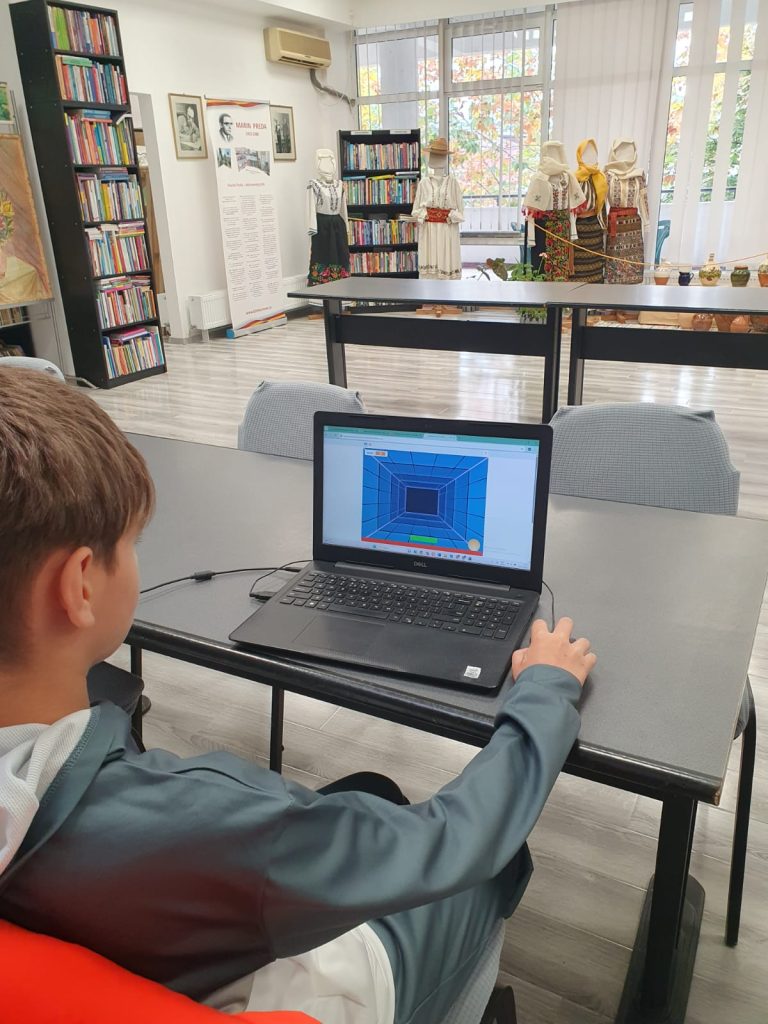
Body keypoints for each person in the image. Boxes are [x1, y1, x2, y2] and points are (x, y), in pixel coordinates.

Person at [0, 368, 595, 1024]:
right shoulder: (204, 822)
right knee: (494, 858)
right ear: (80, 586)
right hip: (316, 993)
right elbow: (456, 841)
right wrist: (545, 688)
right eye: (131, 544)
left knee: (373, 790)